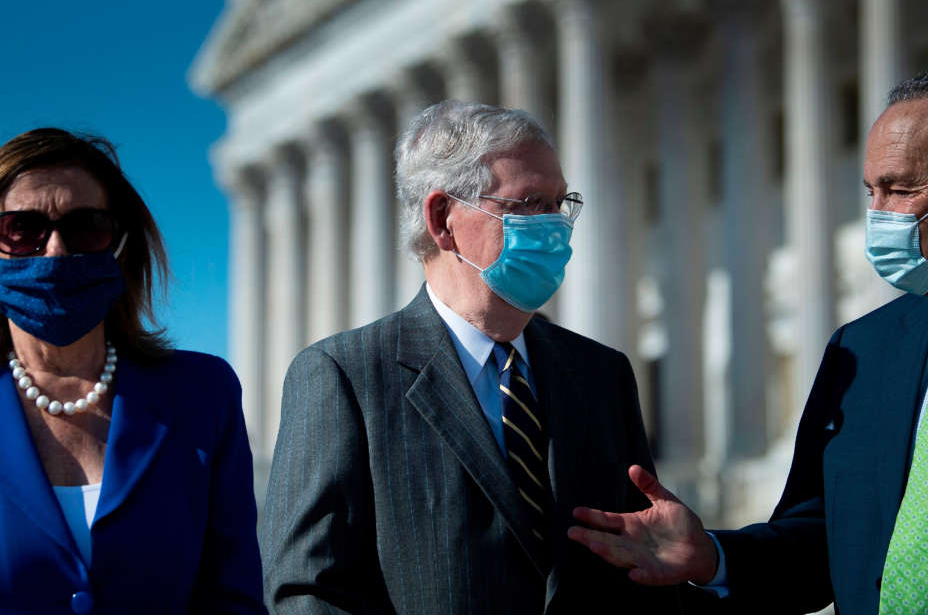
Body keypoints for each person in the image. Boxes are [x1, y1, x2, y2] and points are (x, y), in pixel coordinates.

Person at [568, 65, 928, 613]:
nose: (876, 215)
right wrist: (713, 556)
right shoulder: (862, 349)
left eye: (897, 190)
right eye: (871, 191)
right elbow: (821, 539)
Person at [261, 101, 681, 614]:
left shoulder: (601, 374)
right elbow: (309, 592)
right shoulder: (345, 377)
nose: (553, 227)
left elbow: (640, 566)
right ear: (442, 219)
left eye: (559, 203)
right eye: (527, 204)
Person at [0, 128, 265, 613]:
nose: (56, 251)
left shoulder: (202, 394)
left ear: (121, 249)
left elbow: (231, 599)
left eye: (87, 227)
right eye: (21, 230)